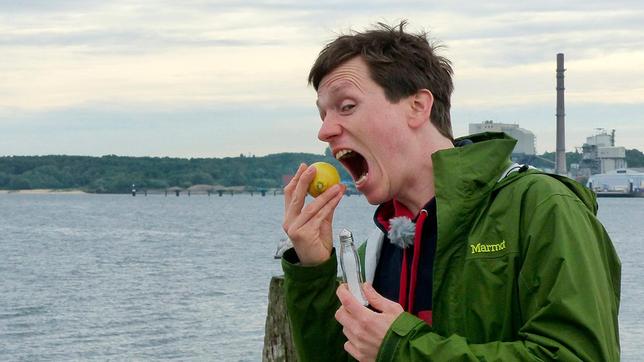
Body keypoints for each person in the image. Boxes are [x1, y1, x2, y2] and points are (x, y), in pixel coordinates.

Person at [281, 21, 621, 361]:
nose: (325, 131)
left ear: (417, 106)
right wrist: (313, 271)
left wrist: (402, 348)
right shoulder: (378, 250)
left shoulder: (542, 208)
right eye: (323, 114)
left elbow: (579, 355)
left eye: (346, 106)